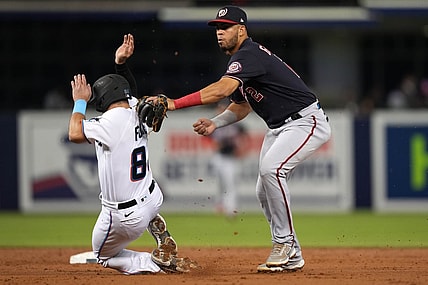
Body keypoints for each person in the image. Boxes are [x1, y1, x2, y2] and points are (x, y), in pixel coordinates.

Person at [157, 6, 331, 272]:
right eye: (217, 28)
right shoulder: (243, 61)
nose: (219, 33)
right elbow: (241, 105)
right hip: (281, 127)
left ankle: (284, 243)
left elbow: (222, 89)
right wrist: (215, 123)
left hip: (306, 121)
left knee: (272, 170)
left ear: (241, 29)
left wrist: (174, 103)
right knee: (263, 189)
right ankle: (292, 254)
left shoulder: (248, 54)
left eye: (225, 27)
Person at [68, 34, 197, 274]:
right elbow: (131, 93)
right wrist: (121, 65)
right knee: (145, 198)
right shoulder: (138, 110)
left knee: (103, 255)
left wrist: (79, 102)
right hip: (152, 198)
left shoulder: (109, 121)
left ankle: (155, 263)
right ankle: (157, 227)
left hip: (125, 216)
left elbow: (75, 133)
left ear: (105, 97)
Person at [210, 100, 249, 217]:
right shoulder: (214, 123)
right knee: (220, 184)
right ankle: (220, 205)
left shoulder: (236, 124)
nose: (220, 110)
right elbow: (208, 139)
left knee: (230, 183)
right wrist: (215, 145)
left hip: (231, 158)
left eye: (223, 108)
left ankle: (231, 209)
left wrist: (243, 149)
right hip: (218, 156)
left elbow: (245, 137)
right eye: (220, 108)